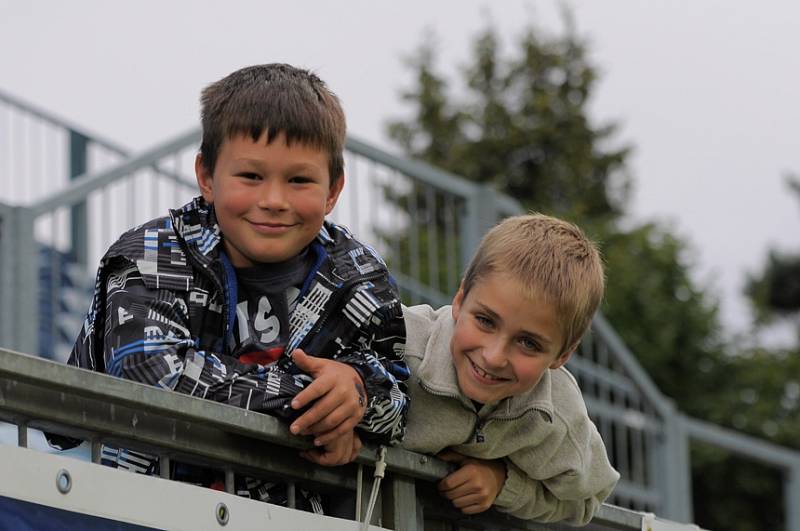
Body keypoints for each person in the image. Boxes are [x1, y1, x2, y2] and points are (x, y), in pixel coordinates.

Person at [48, 63, 409, 512]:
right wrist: (316, 405)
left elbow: (399, 399)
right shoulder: (149, 254)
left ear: (333, 190)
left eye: (299, 180)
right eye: (251, 177)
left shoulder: (360, 276)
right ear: (206, 176)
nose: (274, 200)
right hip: (134, 513)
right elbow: (152, 373)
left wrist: (356, 392)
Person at [400, 213, 619, 525]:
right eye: (486, 321)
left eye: (528, 343)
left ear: (563, 354)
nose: (493, 357)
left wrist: (505, 484)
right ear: (460, 300)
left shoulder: (559, 417)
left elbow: (586, 500)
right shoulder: (394, 343)